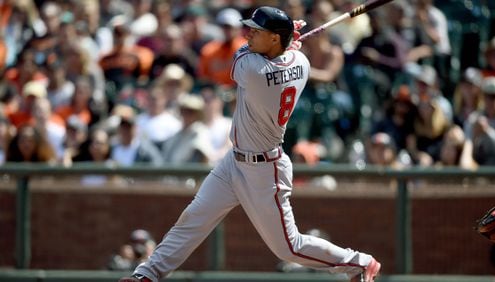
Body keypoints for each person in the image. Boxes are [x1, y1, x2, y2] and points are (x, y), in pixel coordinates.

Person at [119, 6, 380, 282]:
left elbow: (243, 55)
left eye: (258, 31)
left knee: (289, 247)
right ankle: (146, 276)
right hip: (235, 161)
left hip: (265, 170)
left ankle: (359, 262)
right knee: (193, 218)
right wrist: (289, 40)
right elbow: (288, 55)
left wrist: (290, 37)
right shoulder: (301, 63)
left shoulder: (253, 69)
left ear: (275, 39)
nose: (249, 35)